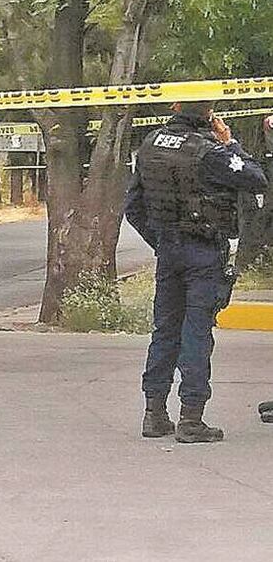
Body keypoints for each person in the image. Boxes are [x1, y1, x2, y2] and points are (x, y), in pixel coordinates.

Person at [125, 101, 268, 443]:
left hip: (169, 253)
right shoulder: (210, 152)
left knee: (165, 330)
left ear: (175, 106)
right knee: (196, 333)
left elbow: (133, 207)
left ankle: (154, 414)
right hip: (203, 252)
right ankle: (191, 418)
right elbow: (256, 179)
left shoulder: (150, 145)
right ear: (210, 112)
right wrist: (230, 142)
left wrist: (160, 242)